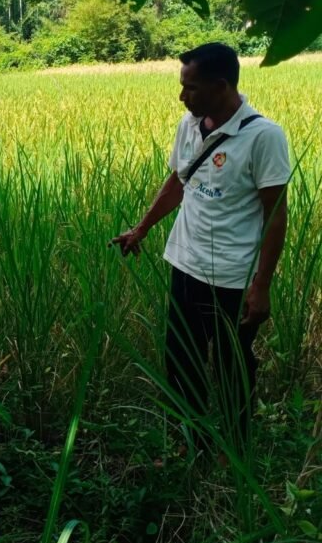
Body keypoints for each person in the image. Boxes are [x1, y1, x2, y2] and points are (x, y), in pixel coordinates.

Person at [112, 42, 289, 458]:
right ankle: (190, 441)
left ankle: (236, 447)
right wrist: (141, 229)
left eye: (190, 88)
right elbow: (178, 182)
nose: (182, 96)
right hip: (184, 265)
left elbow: (275, 215)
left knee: (231, 366)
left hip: (230, 278)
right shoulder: (189, 126)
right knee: (182, 360)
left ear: (221, 86)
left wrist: (261, 286)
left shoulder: (263, 137)